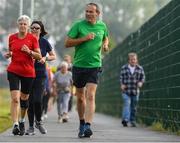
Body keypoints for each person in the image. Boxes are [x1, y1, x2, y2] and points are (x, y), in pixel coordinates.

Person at [65, 2, 109, 138]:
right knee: (80, 98)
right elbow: (67, 43)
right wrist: (84, 38)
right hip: (78, 66)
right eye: (87, 11)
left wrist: (106, 45)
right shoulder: (78, 25)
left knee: (90, 95)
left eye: (91, 12)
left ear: (98, 13)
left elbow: (105, 37)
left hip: (94, 66)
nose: (89, 14)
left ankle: (88, 126)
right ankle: (82, 122)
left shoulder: (102, 26)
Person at [4, 15, 42, 135]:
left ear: (28, 26)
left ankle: (21, 120)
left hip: (28, 72)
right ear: (18, 25)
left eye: (25, 24)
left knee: (24, 99)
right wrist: (9, 54)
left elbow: (39, 56)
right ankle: (15, 124)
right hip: (13, 70)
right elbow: (12, 50)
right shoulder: (12, 37)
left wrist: (29, 51)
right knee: (15, 99)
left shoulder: (33, 38)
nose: (23, 26)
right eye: (21, 24)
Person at [25, 20, 56, 135]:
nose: (34, 29)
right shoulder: (26, 40)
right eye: (32, 27)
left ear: (41, 30)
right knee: (30, 101)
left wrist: (45, 58)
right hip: (27, 74)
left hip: (40, 74)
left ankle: (39, 121)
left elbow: (53, 56)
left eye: (37, 28)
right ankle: (31, 127)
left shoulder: (44, 42)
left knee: (38, 100)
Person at [120, 52, 145, 127]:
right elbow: (121, 77)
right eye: (131, 60)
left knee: (133, 107)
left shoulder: (140, 68)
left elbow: (142, 77)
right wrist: (122, 84)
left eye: (134, 59)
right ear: (129, 60)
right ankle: (125, 120)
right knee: (127, 104)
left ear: (136, 60)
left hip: (135, 91)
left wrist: (141, 82)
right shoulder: (124, 68)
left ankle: (132, 120)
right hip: (126, 90)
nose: (133, 61)